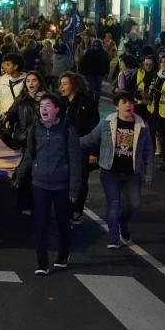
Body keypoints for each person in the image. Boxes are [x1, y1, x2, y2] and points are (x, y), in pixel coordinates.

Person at [14, 93, 82, 275]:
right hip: (40, 184)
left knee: (62, 224)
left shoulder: (68, 129)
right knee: (41, 224)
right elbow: (29, 156)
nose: (43, 109)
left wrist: (75, 187)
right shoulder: (35, 129)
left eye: (48, 105)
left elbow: (75, 160)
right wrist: (19, 177)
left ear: (57, 109)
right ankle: (41, 263)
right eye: (41, 106)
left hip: (62, 185)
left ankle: (62, 256)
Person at [81, 92, 155, 249]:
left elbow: (148, 150)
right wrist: (68, 142)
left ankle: (122, 222)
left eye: (131, 103)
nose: (129, 105)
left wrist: (148, 174)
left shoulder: (142, 126)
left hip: (132, 173)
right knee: (113, 203)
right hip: (110, 172)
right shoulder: (106, 124)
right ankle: (114, 238)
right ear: (116, 106)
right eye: (124, 102)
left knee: (134, 204)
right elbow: (90, 139)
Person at [58, 72, 100, 225]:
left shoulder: (87, 103)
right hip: (65, 148)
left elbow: (93, 128)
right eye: (61, 84)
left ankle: (77, 210)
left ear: (74, 85)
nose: (61, 87)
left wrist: (93, 151)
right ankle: (68, 209)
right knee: (67, 179)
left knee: (81, 180)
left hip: (83, 148)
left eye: (65, 83)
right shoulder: (61, 103)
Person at [4, 70, 46, 213]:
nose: (30, 83)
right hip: (23, 140)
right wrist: (9, 119)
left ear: (40, 82)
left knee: (38, 174)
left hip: (41, 141)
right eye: (28, 81)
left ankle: (37, 203)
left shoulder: (47, 99)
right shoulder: (21, 99)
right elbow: (12, 112)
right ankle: (24, 204)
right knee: (25, 172)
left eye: (34, 80)